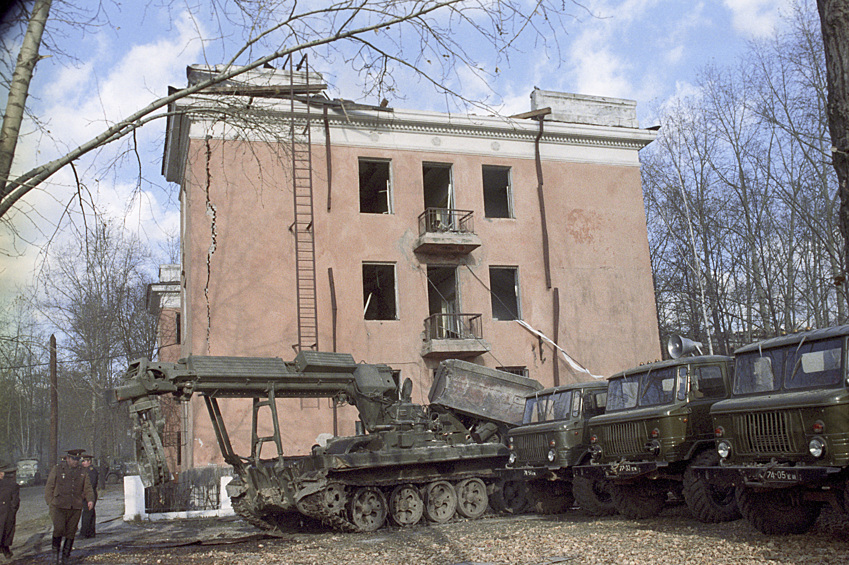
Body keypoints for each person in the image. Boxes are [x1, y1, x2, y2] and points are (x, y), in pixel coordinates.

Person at [45, 450, 94, 564]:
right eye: (73, 459)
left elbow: (87, 487)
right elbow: (49, 487)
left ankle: (66, 556)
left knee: (71, 532)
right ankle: (55, 555)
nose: (76, 462)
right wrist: (50, 502)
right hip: (58, 506)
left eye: (78, 460)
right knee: (59, 529)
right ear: (68, 459)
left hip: (75, 506)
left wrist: (90, 499)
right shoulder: (57, 469)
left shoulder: (83, 472)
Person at [0, 462, 20, 559]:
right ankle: (5, 549)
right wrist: (12, 510)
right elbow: (15, 502)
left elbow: (15, 502)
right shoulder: (13, 485)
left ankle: (5, 548)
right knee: (6, 530)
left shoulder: (11, 485)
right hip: (7, 512)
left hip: (6, 511)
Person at [78, 455, 99, 538]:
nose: (83, 463)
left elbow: (91, 484)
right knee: (90, 512)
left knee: (87, 513)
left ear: (89, 461)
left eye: (85, 461)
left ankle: (84, 532)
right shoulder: (86, 470)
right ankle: (91, 532)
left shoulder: (91, 471)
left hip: (89, 493)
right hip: (88, 493)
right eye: (82, 461)